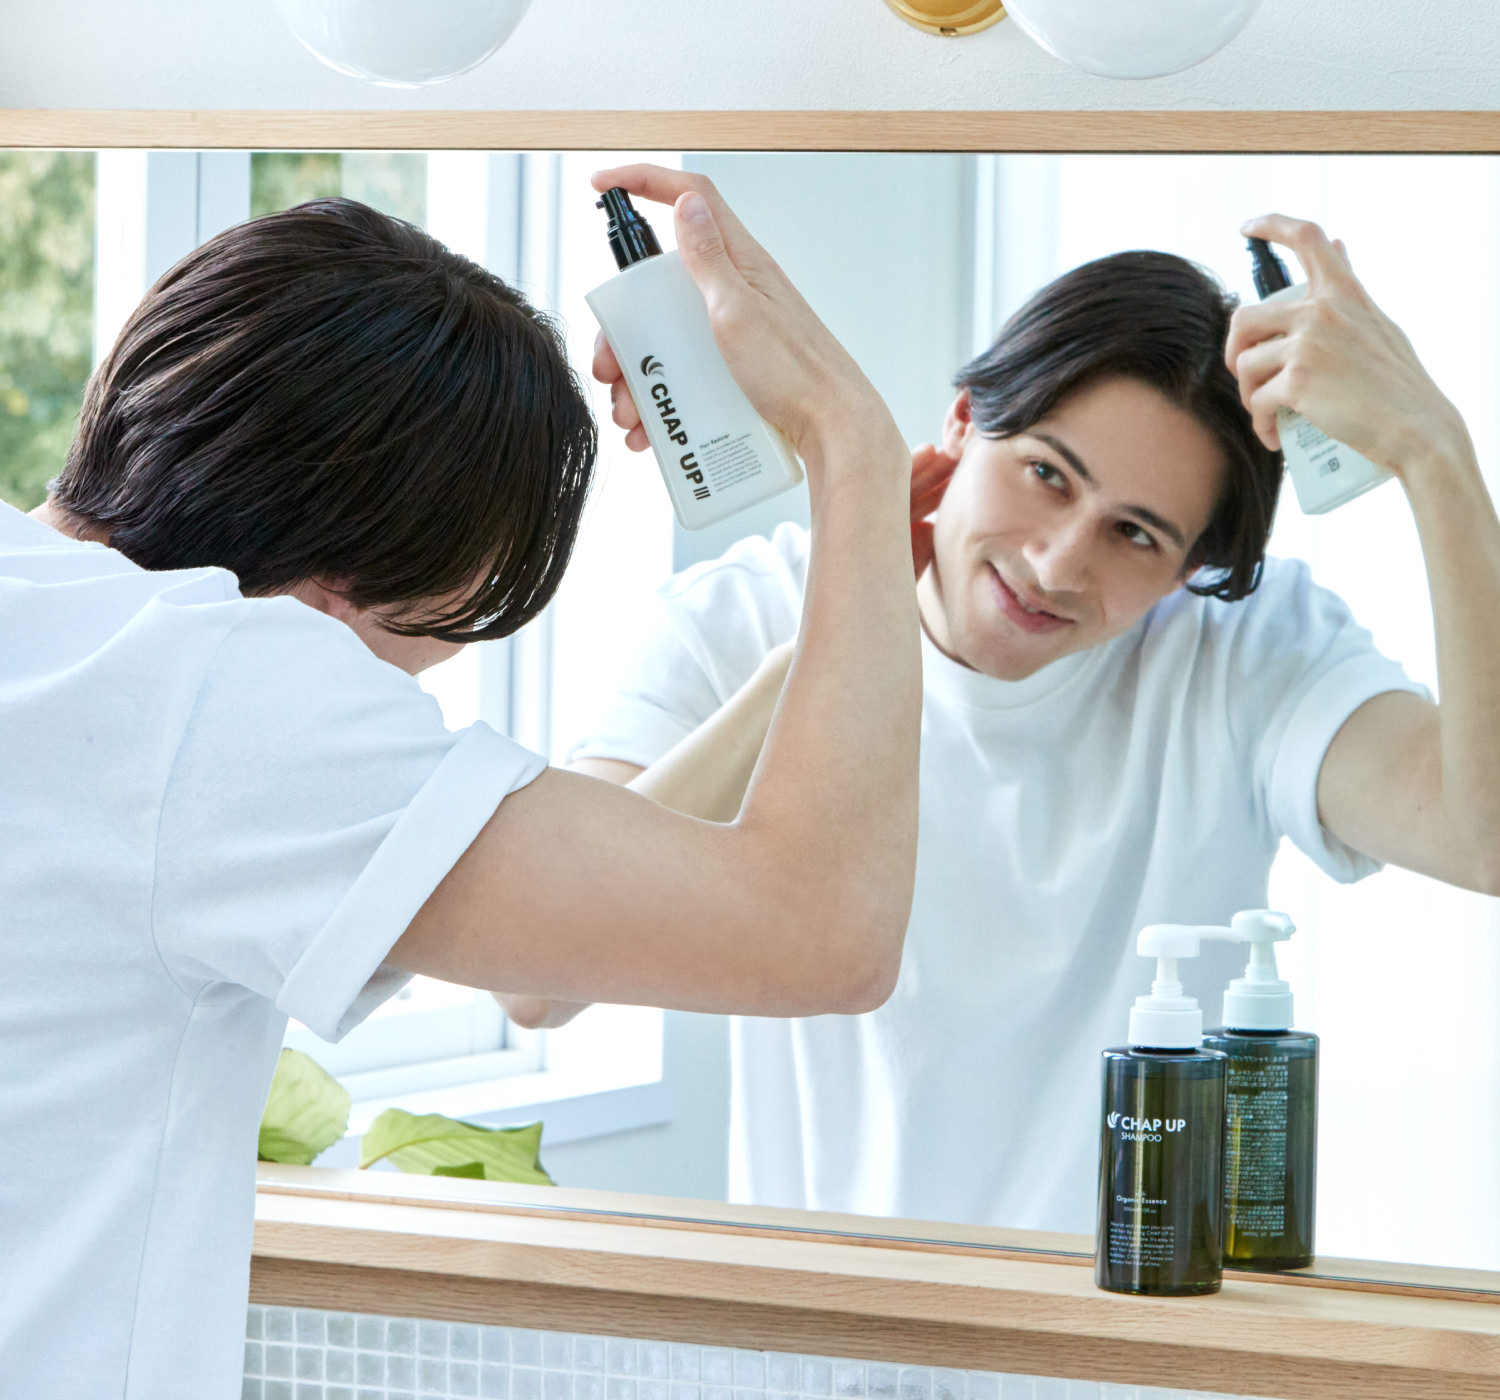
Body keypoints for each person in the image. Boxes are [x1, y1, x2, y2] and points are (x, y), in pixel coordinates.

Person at [1, 166, 927, 1400]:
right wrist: (849, 441)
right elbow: (826, 930)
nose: (409, 709)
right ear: (334, 585)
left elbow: (531, 965)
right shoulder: (220, 686)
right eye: (411, 659)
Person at [515, 215, 1500, 1234]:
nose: (1060, 562)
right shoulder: (745, 617)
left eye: (1135, 533)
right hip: (810, 1350)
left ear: (1188, 570)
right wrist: (825, 646)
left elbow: (1484, 834)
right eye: (1046, 473)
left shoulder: (1244, 655)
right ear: (962, 420)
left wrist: (1436, 455)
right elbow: (533, 980)